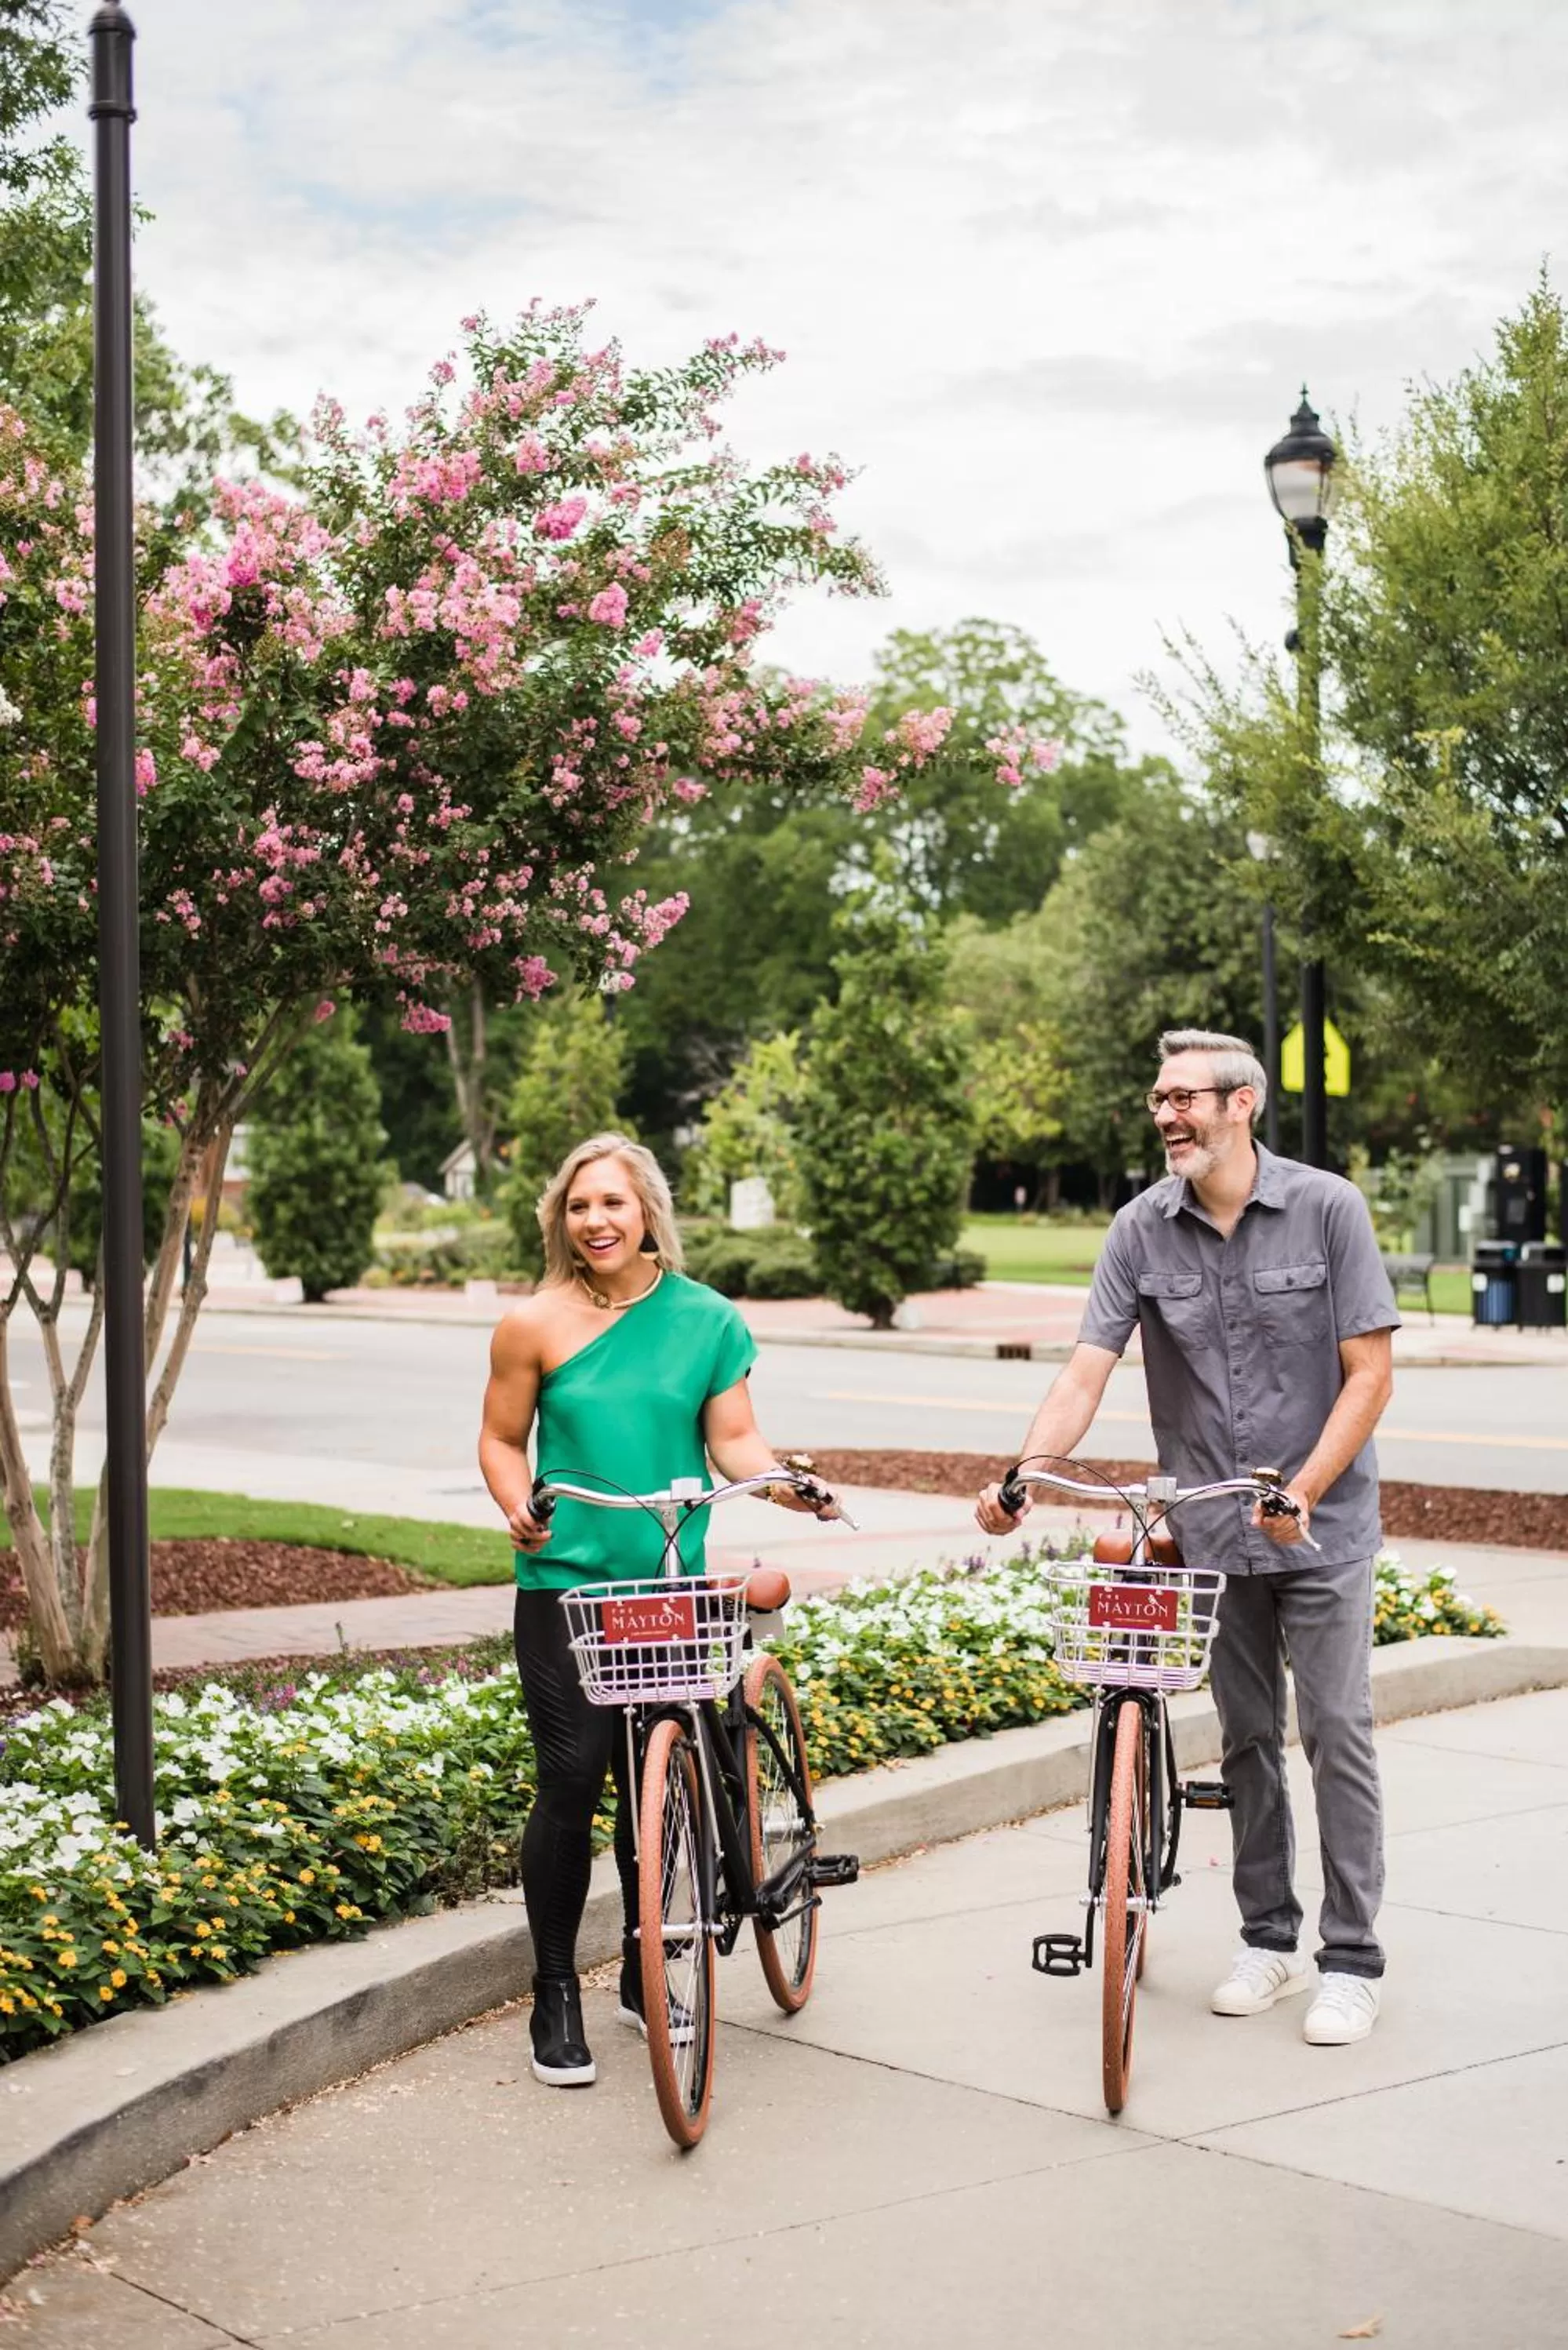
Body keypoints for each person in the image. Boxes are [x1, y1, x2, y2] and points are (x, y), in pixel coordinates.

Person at [977, 1028, 1399, 2047]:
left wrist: (1302, 1489)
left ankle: (1350, 1959)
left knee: (1333, 1732)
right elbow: (1086, 1368)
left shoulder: (1327, 1209)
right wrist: (1023, 1471)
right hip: (1210, 1532)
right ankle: (1267, 1939)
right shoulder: (1139, 1229)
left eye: (1184, 1097)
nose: (1166, 1115)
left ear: (1241, 1102)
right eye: (1157, 1099)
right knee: (1246, 1739)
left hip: (1321, 1529)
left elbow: (1369, 1374)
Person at [478, 1130, 835, 2088]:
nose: (594, 1220)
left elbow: (735, 1439)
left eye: (612, 1202)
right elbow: (502, 1439)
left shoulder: (706, 1318)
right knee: (570, 1777)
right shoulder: (531, 1323)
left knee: (657, 1776)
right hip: (566, 1586)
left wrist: (785, 1484)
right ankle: (555, 1990)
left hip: (667, 1586)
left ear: (647, 1213)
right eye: (578, 1204)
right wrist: (516, 1503)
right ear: (559, 1217)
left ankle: (648, 1970)